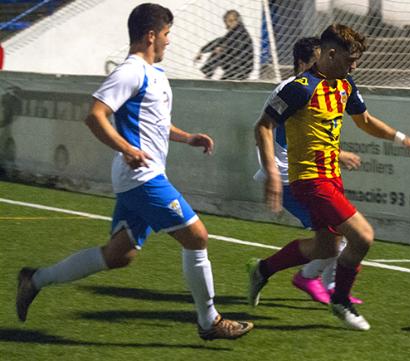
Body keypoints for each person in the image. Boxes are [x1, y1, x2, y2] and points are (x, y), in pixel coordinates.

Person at [16, 3, 253, 341]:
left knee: (119, 254)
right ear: (151, 35)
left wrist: (187, 138)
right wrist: (126, 148)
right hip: (142, 178)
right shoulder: (130, 71)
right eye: (167, 34)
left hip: (142, 176)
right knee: (197, 236)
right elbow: (95, 116)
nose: (169, 41)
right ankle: (209, 320)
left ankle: (34, 280)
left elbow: (154, 123)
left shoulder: (154, 73)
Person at [250, 24, 410, 331]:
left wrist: (404, 139)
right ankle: (341, 301)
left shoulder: (345, 84)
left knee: (327, 248)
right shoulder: (299, 88)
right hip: (309, 180)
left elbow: (365, 121)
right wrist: (270, 170)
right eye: (350, 60)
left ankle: (262, 270)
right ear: (331, 53)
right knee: (363, 236)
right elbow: (263, 126)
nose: (354, 66)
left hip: (331, 177)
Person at [253, 36, 363, 305]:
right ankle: (307, 278)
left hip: (303, 174)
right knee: (340, 237)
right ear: (303, 63)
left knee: (337, 237)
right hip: (289, 178)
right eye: (317, 60)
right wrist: (273, 174)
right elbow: (278, 134)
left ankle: (325, 284)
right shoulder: (293, 89)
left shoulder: (320, 89)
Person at [195, 10, 254, 80]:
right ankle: (208, 73)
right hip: (235, 67)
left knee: (218, 51)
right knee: (218, 49)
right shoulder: (234, 33)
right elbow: (221, 40)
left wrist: (205, 50)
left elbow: (225, 43)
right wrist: (203, 50)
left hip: (241, 68)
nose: (230, 24)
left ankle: (207, 73)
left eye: (233, 21)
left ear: (238, 20)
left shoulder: (240, 32)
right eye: (229, 21)